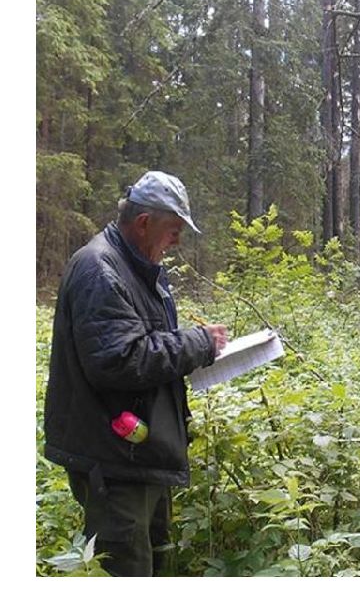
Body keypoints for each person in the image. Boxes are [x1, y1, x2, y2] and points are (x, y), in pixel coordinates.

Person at [43, 170, 229, 576]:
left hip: (137, 453)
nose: (177, 240)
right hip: (112, 460)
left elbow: (142, 340)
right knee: (127, 571)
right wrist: (198, 343)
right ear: (144, 223)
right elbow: (119, 360)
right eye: (173, 230)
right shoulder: (100, 270)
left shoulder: (137, 267)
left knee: (154, 559)